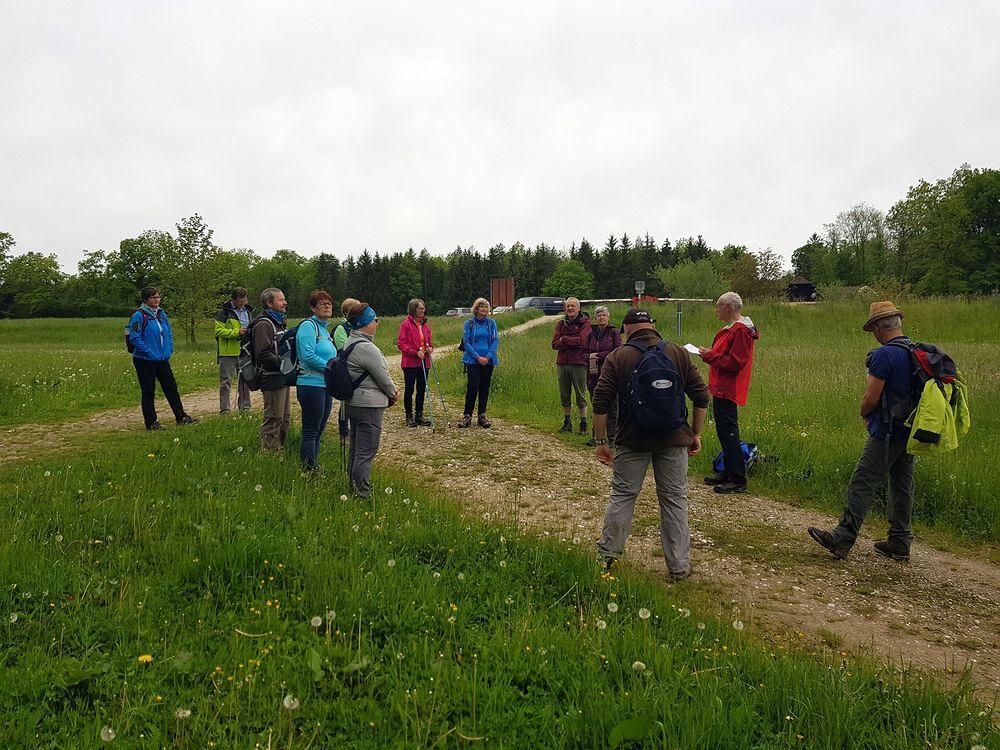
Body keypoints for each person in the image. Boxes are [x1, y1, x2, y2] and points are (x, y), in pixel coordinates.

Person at [592, 308, 709, 582]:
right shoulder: (677, 352)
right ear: (652, 326)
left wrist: (601, 441)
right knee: (674, 499)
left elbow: (601, 401)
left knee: (623, 496)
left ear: (626, 329)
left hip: (633, 440)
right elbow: (701, 396)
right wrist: (695, 433)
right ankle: (679, 567)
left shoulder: (618, 356)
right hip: (674, 439)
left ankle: (607, 558)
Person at [808, 301, 918, 562]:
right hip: (911, 430)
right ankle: (900, 542)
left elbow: (871, 398)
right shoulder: (916, 352)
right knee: (902, 484)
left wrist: (865, 414)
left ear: (878, 328)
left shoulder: (884, 355)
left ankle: (843, 537)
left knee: (863, 481)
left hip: (887, 432)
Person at [698, 292, 760, 494]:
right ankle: (729, 471)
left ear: (728, 308)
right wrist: (710, 354)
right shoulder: (731, 328)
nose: (716, 310)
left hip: (729, 386)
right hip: (721, 385)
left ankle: (738, 479)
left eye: (718, 306)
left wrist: (709, 356)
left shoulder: (741, 331)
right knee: (724, 431)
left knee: (729, 431)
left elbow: (736, 363)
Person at [343, 301, 399, 497]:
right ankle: (363, 493)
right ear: (365, 322)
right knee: (366, 451)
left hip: (354, 402)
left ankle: (353, 487)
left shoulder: (350, 341)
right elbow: (383, 377)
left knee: (356, 449)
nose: (377, 322)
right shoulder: (366, 348)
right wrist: (393, 393)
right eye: (374, 319)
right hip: (368, 405)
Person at [128, 286, 199, 431]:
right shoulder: (139, 316)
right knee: (149, 391)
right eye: (153, 297)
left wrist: (169, 348)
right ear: (145, 300)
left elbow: (168, 333)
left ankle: (181, 416)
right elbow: (134, 337)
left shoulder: (161, 314)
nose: (157, 300)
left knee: (171, 388)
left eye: (158, 297)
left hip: (162, 358)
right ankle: (151, 422)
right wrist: (149, 352)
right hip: (145, 360)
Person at [296, 290, 337, 471]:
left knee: (319, 430)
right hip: (310, 384)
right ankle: (307, 469)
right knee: (311, 431)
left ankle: (313, 466)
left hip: (324, 385)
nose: (327, 306)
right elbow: (308, 355)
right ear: (313, 308)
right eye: (322, 303)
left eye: (329, 303)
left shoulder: (324, 330)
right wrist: (331, 369)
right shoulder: (308, 326)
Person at [251, 287, 291, 452]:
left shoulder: (278, 321)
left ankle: (279, 449)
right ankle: (269, 453)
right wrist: (283, 363)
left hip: (282, 376)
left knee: (284, 418)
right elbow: (262, 354)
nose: (285, 302)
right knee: (274, 417)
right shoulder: (263, 324)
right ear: (269, 303)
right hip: (271, 377)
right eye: (281, 300)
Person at [582, 305, 622, 447]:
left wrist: (598, 355)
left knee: (612, 408)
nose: (601, 317)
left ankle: (613, 439)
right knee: (597, 406)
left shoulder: (614, 332)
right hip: (593, 376)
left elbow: (618, 351)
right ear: (595, 318)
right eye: (599, 315)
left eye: (604, 315)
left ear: (608, 317)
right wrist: (590, 357)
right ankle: (596, 437)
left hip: (611, 374)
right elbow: (583, 353)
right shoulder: (590, 334)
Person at [552, 297, 592, 434]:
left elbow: (583, 341)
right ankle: (567, 422)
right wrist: (572, 342)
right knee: (564, 394)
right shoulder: (560, 323)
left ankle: (583, 424)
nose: (570, 308)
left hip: (579, 363)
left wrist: (564, 339)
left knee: (581, 394)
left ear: (578, 308)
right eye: (568, 306)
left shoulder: (585, 323)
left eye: (572, 306)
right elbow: (554, 344)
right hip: (562, 363)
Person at [458, 297, 499, 428]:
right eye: (482, 306)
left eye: (486, 307)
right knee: (473, 387)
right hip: (473, 361)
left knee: (484, 388)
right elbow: (467, 342)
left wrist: (488, 357)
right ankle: (467, 415)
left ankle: (482, 415)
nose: (484, 309)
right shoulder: (469, 323)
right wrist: (478, 357)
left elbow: (495, 340)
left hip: (488, 360)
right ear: (476, 309)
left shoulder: (491, 323)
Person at [214, 287, 254, 414]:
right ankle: (225, 409)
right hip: (228, 352)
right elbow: (218, 331)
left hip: (244, 350)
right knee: (226, 381)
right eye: (240, 301)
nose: (242, 303)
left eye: (244, 301)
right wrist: (237, 332)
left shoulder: (249, 312)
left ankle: (245, 407)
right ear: (233, 300)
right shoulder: (224, 313)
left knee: (245, 380)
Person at [396, 298, 434, 427]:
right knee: (410, 389)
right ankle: (409, 415)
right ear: (414, 309)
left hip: (424, 361)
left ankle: (419, 415)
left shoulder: (425, 325)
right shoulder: (405, 325)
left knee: (422, 389)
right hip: (410, 362)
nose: (423, 310)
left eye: (423, 308)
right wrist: (414, 352)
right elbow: (401, 343)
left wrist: (430, 348)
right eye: (420, 308)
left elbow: (430, 342)